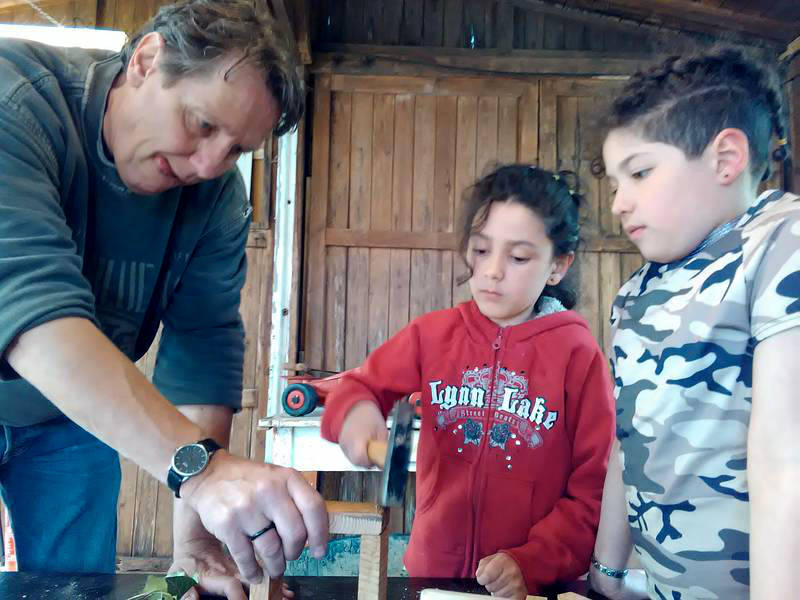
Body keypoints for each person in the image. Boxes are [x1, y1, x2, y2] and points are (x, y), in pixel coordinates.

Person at [0, 2, 328, 599]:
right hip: (46, 378)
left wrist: (196, 529)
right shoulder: (15, 102)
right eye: (202, 124)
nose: (208, 165)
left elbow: (202, 345)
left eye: (234, 149)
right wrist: (200, 472)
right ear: (147, 61)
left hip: (67, 423)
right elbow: (29, 309)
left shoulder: (216, 201)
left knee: (75, 590)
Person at [320, 164, 617, 598]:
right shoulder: (433, 335)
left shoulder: (578, 355)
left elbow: (594, 490)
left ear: (558, 266)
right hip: (434, 576)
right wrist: (357, 415)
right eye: (480, 251)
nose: (493, 270)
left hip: (535, 584)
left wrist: (529, 561)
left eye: (518, 257)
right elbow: (357, 387)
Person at [589, 47, 799, 600]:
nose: (618, 203)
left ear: (725, 158)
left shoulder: (782, 243)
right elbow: (625, 437)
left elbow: (786, 462)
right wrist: (605, 571)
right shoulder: (638, 289)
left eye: (639, 173)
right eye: (615, 182)